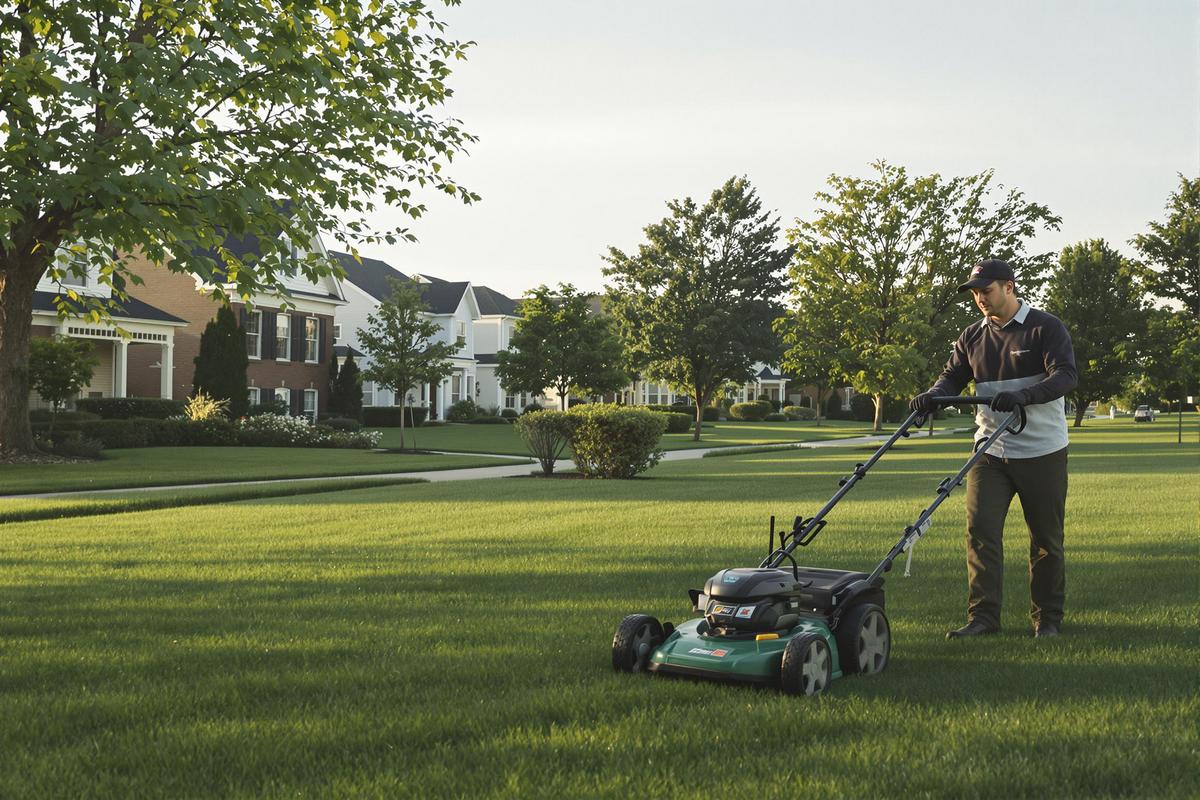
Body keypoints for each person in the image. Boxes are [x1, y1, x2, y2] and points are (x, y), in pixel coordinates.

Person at [910, 259, 1077, 639]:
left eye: (986, 290)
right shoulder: (972, 336)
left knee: (1045, 538)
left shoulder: (1044, 328)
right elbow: (952, 376)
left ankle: (1047, 619)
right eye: (975, 293)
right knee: (981, 532)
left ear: (1009, 287)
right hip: (989, 451)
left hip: (1042, 451)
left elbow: (1065, 375)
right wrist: (933, 396)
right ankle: (983, 619)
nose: (980, 299)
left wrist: (1023, 396)